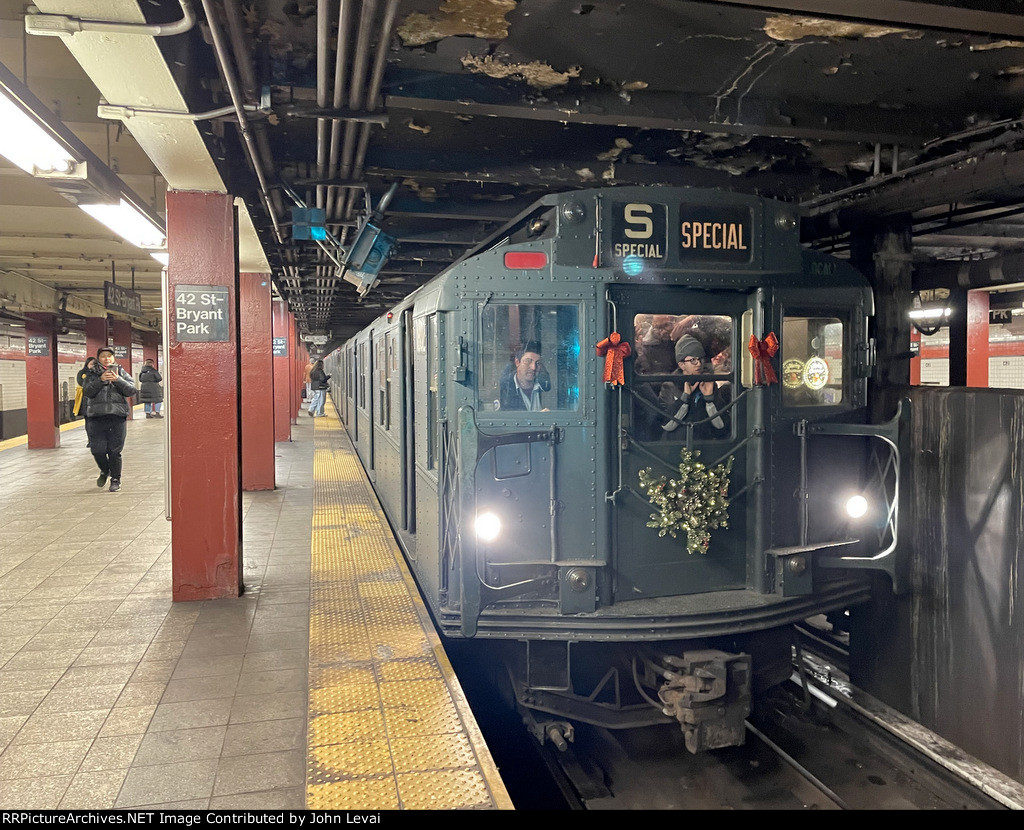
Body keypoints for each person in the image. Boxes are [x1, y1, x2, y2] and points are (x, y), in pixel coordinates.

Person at [82, 347, 137, 492]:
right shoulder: (92, 374)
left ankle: (115, 479)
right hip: (96, 417)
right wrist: (100, 380)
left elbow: (131, 390)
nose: (106, 359)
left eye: (109, 356)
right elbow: (87, 392)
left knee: (114, 451)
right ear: (98, 359)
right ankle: (105, 470)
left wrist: (118, 380)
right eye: (103, 356)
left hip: (117, 417)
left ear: (113, 359)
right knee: (97, 450)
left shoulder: (121, 372)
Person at [660, 335, 731, 440]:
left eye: (700, 359)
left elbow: (721, 425)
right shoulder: (670, 386)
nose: (698, 364)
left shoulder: (709, 384)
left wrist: (710, 399)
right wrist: (684, 397)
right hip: (676, 445)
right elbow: (667, 425)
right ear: (682, 365)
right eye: (693, 360)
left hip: (705, 444)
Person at [498, 341, 548, 411]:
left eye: (538, 363)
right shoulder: (504, 388)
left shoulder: (547, 388)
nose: (533, 367)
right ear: (517, 362)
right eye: (528, 361)